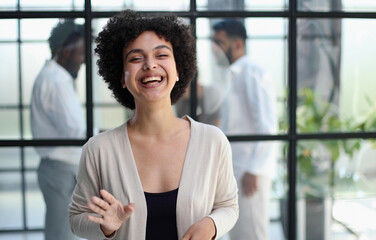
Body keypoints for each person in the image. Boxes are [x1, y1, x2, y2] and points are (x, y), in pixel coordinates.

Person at [69, 10, 238, 240]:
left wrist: (212, 224)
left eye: (161, 55)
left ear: (178, 69)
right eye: (136, 58)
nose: (150, 65)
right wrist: (105, 226)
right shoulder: (99, 149)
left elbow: (229, 206)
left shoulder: (212, 141)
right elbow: (76, 218)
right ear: (122, 77)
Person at [212, 19, 278, 240]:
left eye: (219, 42)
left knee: (253, 233)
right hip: (237, 169)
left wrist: (254, 169)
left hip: (250, 173)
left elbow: (267, 125)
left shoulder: (252, 72)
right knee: (239, 233)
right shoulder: (232, 74)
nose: (214, 49)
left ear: (237, 44)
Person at [30, 19, 85, 240]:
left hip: (60, 169)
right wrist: (110, 133)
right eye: (81, 54)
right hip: (60, 169)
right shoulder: (56, 81)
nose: (83, 61)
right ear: (65, 53)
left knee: (63, 231)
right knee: (62, 235)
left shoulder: (54, 78)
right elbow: (76, 130)